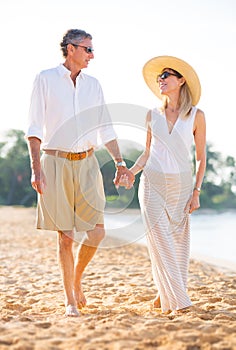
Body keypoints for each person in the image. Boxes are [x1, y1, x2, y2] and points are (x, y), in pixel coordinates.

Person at [25, 28, 134, 317]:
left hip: (87, 162)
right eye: (87, 49)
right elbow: (34, 129)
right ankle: (70, 299)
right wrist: (36, 169)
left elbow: (105, 126)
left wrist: (120, 163)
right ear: (70, 48)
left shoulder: (93, 85)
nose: (91, 55)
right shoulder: (45, 79)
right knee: (66, 237)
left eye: (91, 49)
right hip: (54, 162)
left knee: (97, 232)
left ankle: (76, 278)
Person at [120, 56, 206, 314]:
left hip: (181, 186)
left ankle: (163, 294)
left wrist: (196, 191)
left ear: (181, 80)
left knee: (178, 242)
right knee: (159, 240)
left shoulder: (196, 115)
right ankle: (180, 301)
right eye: (160, 76)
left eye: (167, 75)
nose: (161, 79)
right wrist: (132, 172)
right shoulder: (151, 115)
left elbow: (201, 158)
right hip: (152, 183)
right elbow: (147, 152)